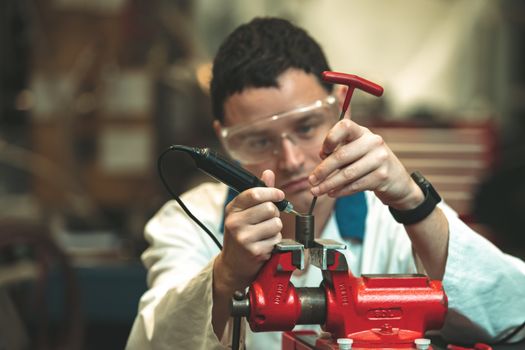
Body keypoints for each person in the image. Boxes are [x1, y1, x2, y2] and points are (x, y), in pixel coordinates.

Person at [126, 17, 525, 349]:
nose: (292, 159)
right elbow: (154, 340)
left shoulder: (388, 219)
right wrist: (225, 274)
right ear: (224, 136)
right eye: (258, 140)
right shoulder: (189, 220)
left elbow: (513, 312)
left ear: (336, 106)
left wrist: (413, 202)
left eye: (306, 126)